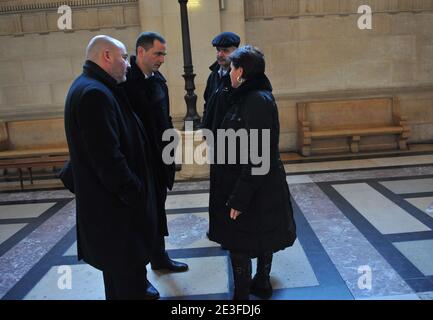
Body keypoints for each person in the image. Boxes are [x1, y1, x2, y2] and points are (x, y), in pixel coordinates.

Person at [63, 35, 160, 300]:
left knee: (121, 280)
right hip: (118, 214)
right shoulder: (94, 94)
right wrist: (135, 193)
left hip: (116, 212)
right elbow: (108, 158)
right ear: (106, 56)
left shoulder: (97, 86)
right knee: (127, 283)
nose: (128, 64)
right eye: (122, 56)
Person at [207, 45, 297, 300]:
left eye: (232, 68)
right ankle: (260, 282)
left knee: (241, 243)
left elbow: (260, 156)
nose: (229, 73)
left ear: (241, 71)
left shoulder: (256, 100)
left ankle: (243, 294)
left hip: (252, 186)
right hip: (248, 182)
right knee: (257, 235)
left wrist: (239, 197)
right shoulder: (244, 95)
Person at [120, 32, 188, 293]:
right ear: (141, 51)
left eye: (163, 54)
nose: (162, 59)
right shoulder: (125, 82)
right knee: (140, 217)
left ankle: (159, 257)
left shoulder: (158, 79)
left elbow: (164, 117)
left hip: (160, 159)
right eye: (157, 53)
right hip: (139, 161)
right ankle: (141, 275)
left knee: (158, 210)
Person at [202, 32, 240, 133]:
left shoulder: (240, 77)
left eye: (225, 51)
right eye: (218, 50)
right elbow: (207, 103)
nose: (220, 54)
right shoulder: (213, 76)